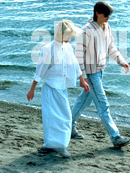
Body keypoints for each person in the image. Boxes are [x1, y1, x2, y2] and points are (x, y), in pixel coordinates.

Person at [72, 1, 130, 148]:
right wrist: (83, 77)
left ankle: (68, 127)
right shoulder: (86, 31)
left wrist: (121, 61)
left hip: (99, 71)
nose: (108, 18)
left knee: (84, 101)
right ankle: (115, 137)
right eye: (106, 15)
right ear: (97, 13)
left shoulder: (106, 27)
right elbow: (79, 55)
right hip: (90, 73)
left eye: (109, 15)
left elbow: (110, 47)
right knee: (102, 104)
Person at [27, 20, 90, 158]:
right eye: (69, 35)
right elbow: (40, 70)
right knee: (52, 118)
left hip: (61, 88)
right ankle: (54, 145)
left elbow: (74, 64)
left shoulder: (67, 47)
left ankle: (56, 145)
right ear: (63, 35)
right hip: (51, 88)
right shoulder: (48, 49)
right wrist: (32, 89)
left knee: (65, 116)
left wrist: (82, 80)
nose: (71, 38)